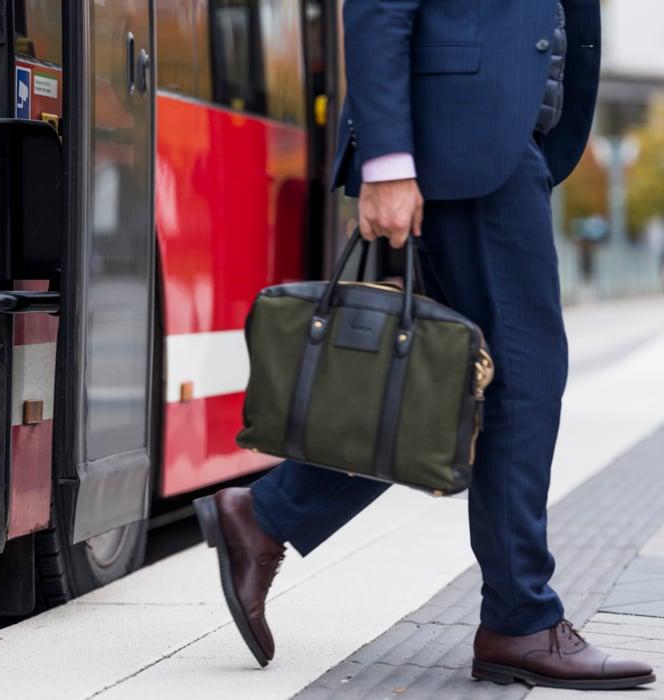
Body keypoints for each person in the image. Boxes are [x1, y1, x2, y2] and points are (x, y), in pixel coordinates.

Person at [196, 0, 657, 690]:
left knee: (444, 380)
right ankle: (520, 619)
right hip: (465, 135)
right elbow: (380, 7)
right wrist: (386, 160)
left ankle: (266, 517)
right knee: (522, 381)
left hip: (490, 135)